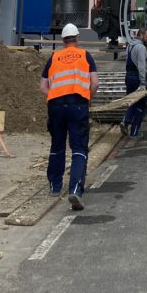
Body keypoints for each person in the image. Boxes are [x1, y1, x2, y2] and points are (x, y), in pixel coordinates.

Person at [40, 23, 99, 210]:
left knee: (57, 146)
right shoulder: (85, 56)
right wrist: (87, 99)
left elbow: (42, 86)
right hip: (78, 105)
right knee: (79, 148)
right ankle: (74, 189)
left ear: (63, 40)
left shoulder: (54, 57)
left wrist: (54, 95)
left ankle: (55, 187)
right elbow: (95, 83)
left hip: (56, 107)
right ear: (77, 39)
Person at [120, 27, 147, 137]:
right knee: (140, 105)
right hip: (137, 78)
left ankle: (125, 120)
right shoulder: (141, 47)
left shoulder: (130, 46)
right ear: (141, 35)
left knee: (131, 101)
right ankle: (134, 132)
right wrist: (142, 83)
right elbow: (142, 67)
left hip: (129, 77)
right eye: (146, 37)